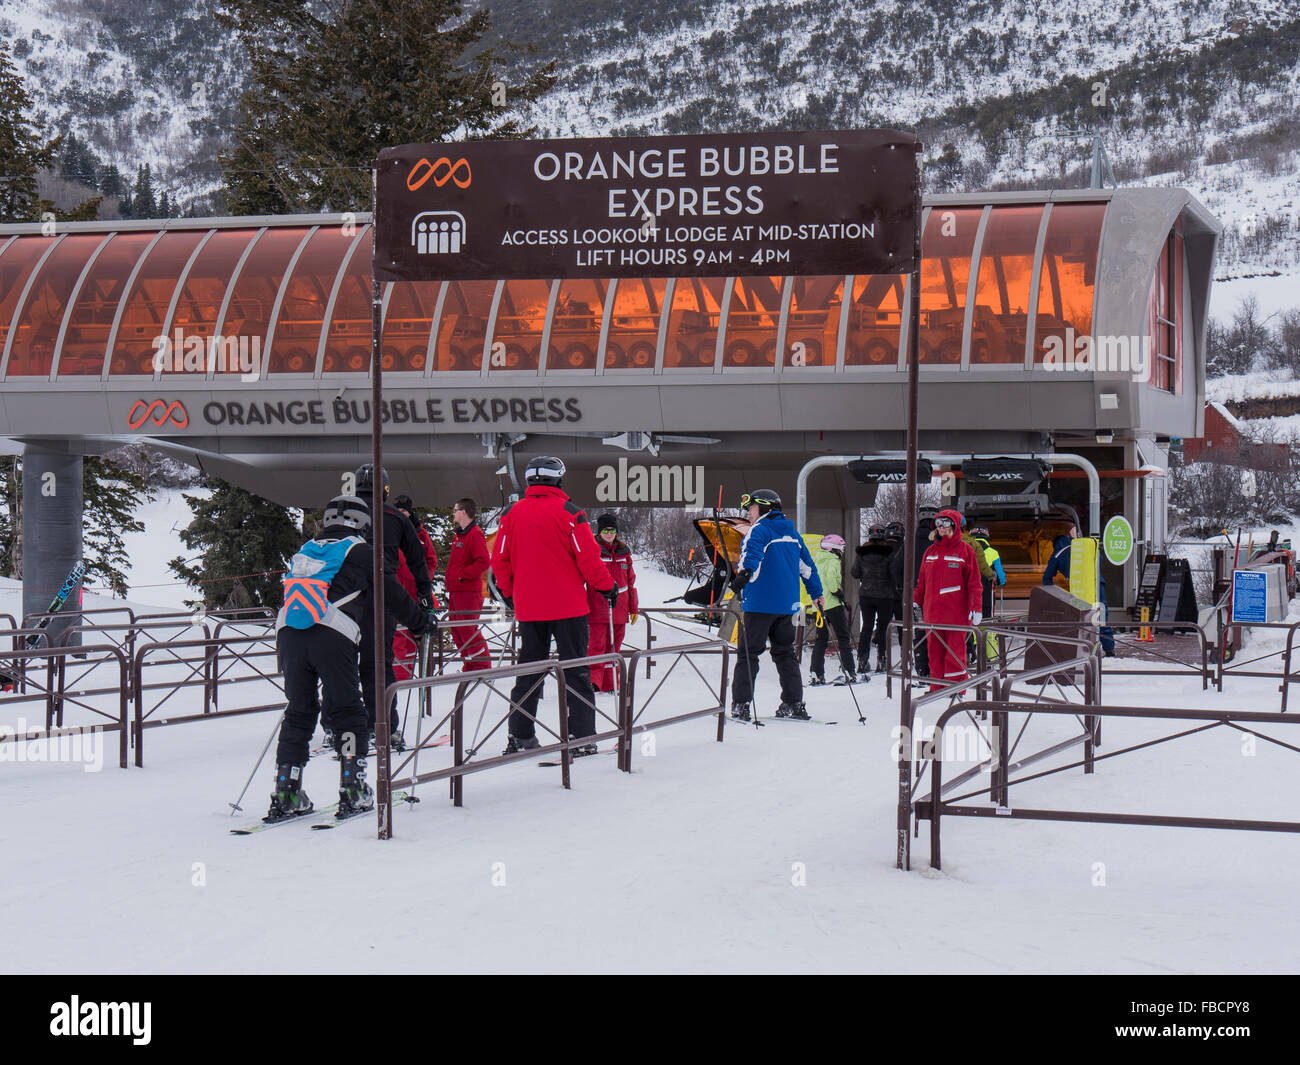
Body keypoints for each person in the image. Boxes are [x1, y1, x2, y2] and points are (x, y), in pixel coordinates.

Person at [265, 495, 433, 823]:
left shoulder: (306, 549)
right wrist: (421, 621)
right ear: (364, 524)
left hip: (288, 631)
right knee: (348, 711)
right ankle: (352, 788)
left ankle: (286, 790)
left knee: (298, 711)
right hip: (331, 631)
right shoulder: (360, 551)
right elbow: (392, 593)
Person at [491, 456, 616, 756]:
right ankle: (581, 736)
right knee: (576, 672)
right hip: (569, 608)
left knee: (529, 672)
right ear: (558, 479)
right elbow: (588, 560)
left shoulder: (511, 514)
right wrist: (607, 586)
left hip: (530, 609)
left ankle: (520, 736)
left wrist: (510, 595)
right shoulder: (571, 514)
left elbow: (500, 559)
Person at [354, 464, 438, 751]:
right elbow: (417, 558)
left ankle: (341, 726)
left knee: (341, 663)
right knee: (378, 664)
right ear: (385, 489)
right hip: (381, 596)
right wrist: (424, 595)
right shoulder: (392, 516)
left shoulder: (340, 514)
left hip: (341, 598)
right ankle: (385, 726)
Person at [728, 489, 824, 722]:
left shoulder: (759, 530)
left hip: (760, 605)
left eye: (750, 508)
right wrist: (817, 593)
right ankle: (793, 703)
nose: (748, 513)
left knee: (748, 654)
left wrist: (743, 576)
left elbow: (752, 556)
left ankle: (741, 705)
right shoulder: (792, 534)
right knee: (785, 653)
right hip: (786, 607)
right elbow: (807, 567)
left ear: (763, 508)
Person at [914, 508, 982, 693]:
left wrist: (976, 607)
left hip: (956, 614)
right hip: (932, 612)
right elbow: (922, 581)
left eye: (944, 523)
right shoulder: (930, 552)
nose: (941, 527)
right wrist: (915, 600)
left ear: (953, 525)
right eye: (937, 523)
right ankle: (937, 686)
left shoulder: (965, 551)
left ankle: (956, 687)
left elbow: (974, 582)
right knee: (934, 651)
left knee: (955, 652)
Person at [1042, 526, 1116, 656]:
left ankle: (1083, 649)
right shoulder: (1080, 546)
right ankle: (1109, 649)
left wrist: (1051, 593)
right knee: (1101, 615)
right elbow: (1099, 557)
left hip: (1079, 588)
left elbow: (1047, 576)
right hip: (1097, 584)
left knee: (1081, 617)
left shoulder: (1057, 553)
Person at [587, 514, 639, 693]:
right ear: (599, 532)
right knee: (597, 646)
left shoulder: (624, 553)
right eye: (605, 530)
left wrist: (634, 608)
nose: (609, 534)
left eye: (612, 530)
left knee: (614, 646)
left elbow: (630, 582)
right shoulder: (593, 550)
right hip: (598, 607)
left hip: (620, 608)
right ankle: (594, 681)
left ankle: (611, 682)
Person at [390, 493, 439, 682]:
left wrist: (423, 580)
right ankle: (399, 677)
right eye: (398, 510)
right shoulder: (391, 533)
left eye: (404, 511)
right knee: (398, 636)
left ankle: (407, 674)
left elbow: (431, 561)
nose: (401, 514)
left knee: (411, 637)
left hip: (416, 593)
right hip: (397, 592)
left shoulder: (421, 534)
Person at [444, 497, 493, 671]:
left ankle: (481, 665)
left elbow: (483, 561)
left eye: (455, 510)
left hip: (467, 591)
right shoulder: (460, 534)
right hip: (457, 590)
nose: (453, 513)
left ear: (463, 512)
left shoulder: (474, 534)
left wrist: (462, 576)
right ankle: (470, 663)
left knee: (467, 628)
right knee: (457, 628)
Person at [809, 533, 858, 687]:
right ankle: (849, 671)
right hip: (833, 605)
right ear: (835, 548)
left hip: (820, 606)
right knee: (843, 637)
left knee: (821, 640)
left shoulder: (818, 560)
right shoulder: (833, 560)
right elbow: (831, 580)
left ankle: (816, 673)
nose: (842, 552)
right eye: (841, 548)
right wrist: (838, 592)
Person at [853, 524, 896, 676]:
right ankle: (882, 659)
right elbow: (893, 575)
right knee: (883, 628)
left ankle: (862, 661)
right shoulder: (889, 553)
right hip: (886, 596)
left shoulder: (861, 553)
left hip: (866, 594)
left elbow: (855, 573)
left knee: (866, 628)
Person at [970, 525, 1006, 660]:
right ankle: (989, 656)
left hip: (969, 594)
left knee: (971, 621)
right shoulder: (993, 552)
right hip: (986, 594)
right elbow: (1002, 579)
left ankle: (971, 653)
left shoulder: (966, 550)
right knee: (988, 622)